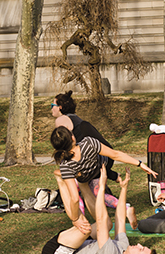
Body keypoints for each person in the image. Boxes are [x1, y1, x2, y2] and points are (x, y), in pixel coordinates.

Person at [42, 165, 157, 254]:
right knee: (108, 224)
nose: (139, 245)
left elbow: (100, 220)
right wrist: (124, 188)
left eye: (141, 250)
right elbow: (120, 219)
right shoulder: (124, 248)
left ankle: (61, 181)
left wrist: (101, 187)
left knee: (85, 227)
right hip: (77, 246)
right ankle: (83, 184)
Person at [51, 91, 137, 227]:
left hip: (87, 158)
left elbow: (64, 142)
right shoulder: (76, 118)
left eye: (52, 105)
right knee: (95, 190)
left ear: (60, 107)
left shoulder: (61, 120)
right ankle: (125, 209)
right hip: (101, 155)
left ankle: (80, 221)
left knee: (77, 191)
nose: (51, 109)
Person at [51, 126, 158, 235]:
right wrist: (139, 164)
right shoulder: (89, 143)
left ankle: (62, 181)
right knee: (88, 190)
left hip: (88, 175)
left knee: (83, 188)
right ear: (72, 138)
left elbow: (74, 199)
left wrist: (75, 220)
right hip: (100, 167)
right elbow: (116, 155)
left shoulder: (66, 165)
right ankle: (114, 177)